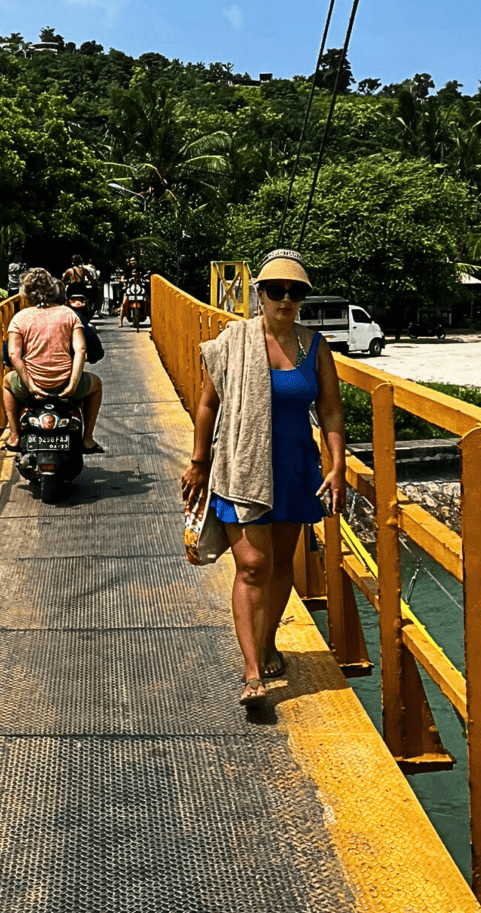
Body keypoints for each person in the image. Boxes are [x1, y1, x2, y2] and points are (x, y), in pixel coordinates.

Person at [180, 248, 346, 709]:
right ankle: (252, 672)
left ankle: (268, 640)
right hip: (240, 466)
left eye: (295, 293)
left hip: (294, 470)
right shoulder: (234, 342)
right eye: (277, 291)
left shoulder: (315, 347)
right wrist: (198, 460)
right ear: (260, 295)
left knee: (280, 565)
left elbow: (330, 411)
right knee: (253, 565)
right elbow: (208, 404)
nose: (286, 299)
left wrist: (337, 466)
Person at [3, 268, 104, 454]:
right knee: (96, 384)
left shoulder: (19, 318)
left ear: (25, 292)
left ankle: (14, 436)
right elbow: (80, 350)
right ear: (54, 289)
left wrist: (32, 386)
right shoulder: (69, 314)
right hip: (65, 385)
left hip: (32, 387)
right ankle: (88, 439)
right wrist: (73, 385)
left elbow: (13, 356)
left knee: (7, 383)